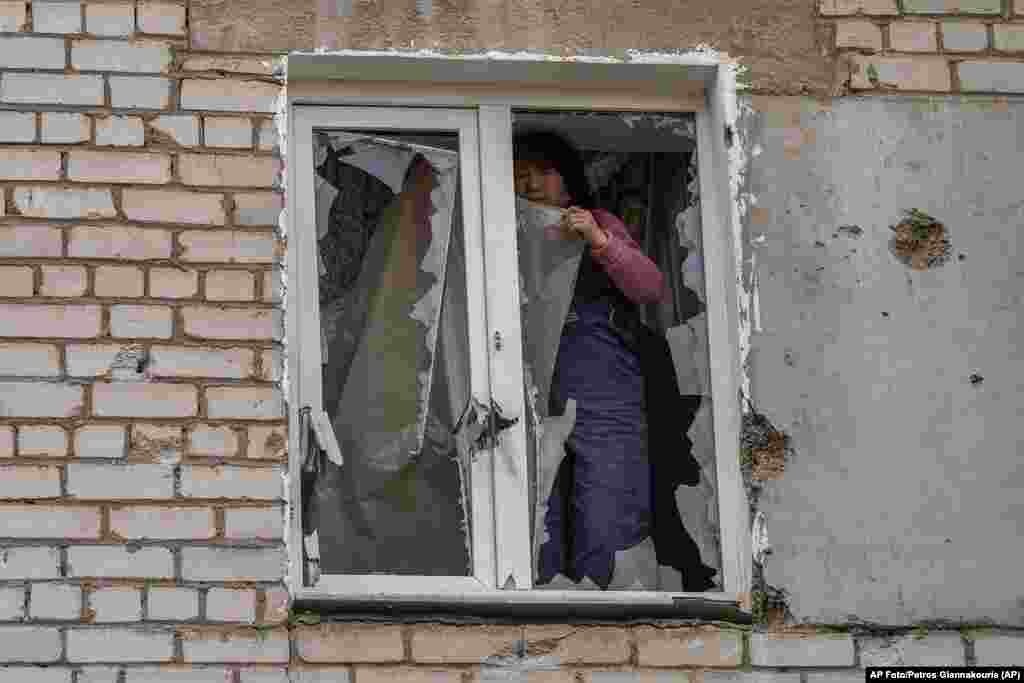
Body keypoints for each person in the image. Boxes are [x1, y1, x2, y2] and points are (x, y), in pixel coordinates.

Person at [513, 130, 666, 590]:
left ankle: (616, 623)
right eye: (522, 174)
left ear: (569, 179)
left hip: (603, 389)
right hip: (531, 391)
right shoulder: (504, 234)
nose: (533, 183)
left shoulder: (595, 222)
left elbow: (650, 288)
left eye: (545, 171)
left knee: (608, 507)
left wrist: (599, 240)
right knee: (536, 515)